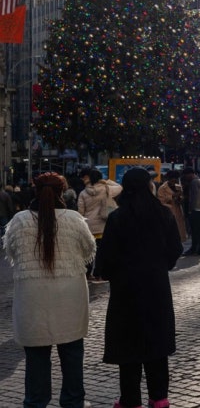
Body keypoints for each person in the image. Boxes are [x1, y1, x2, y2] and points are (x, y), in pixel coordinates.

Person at [3, 172, 96, 408]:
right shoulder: (74, 219)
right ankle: (73, 402)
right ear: (62, 191)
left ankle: (35, 402)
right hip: (70, 297)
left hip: (32, 298)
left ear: (34, 190)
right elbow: (89, 252)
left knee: (36, 358)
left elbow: (12, 253)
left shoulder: (19, 221)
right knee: (72, 354)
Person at [94, 168, 183, 408]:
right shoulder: (163, 215)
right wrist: (161, 266)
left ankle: (130, 399)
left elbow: (106, 258)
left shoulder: (117, 217)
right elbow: (175, 249)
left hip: (126, 291)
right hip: (156, 288)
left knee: (128, 349)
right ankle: (159, 397)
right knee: (156, 347)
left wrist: (116, 274)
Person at [78, 167, 122, 282]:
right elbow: (120, 187)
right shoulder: (106, 188)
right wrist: (106, 181)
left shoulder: (83, 193)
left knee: (88, 250)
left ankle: (87, 274)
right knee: (101, 251)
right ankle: (98, 274)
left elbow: (80, 211)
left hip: (89, 226)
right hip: (103, 225)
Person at [181, 168, 200, 256]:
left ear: (190, 174)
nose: (185, 177)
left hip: (195, 209)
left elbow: (193, 197)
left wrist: (190, 209)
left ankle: (194, 249)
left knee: (195, 230)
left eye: (186, 175)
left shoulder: (194, 182)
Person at [157, 170, 187, 243]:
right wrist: (172, 196)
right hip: (168, 212)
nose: (174, 181)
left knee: (179, 230)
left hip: (178, 210)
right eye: (173, 180)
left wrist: (180, 199)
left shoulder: (178, 187)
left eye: (176, 179)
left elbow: (181, 197)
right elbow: (161, 201)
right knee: (169, 232)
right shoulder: (162, 188)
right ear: (169, 179)